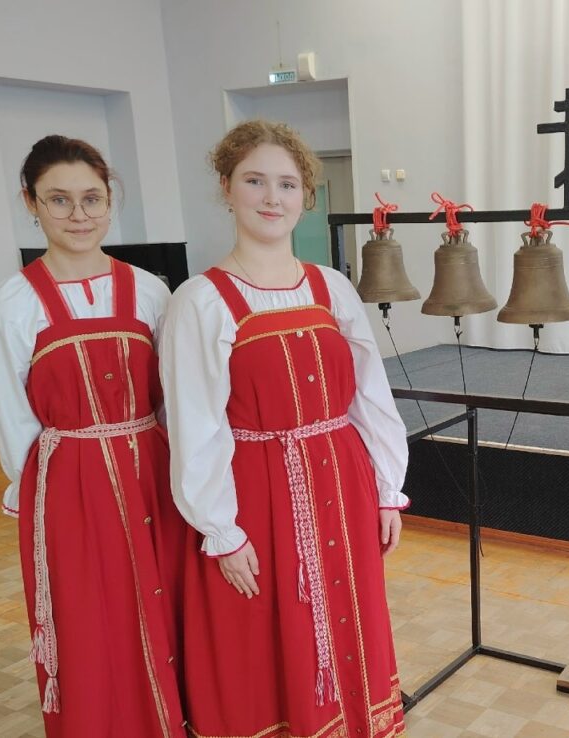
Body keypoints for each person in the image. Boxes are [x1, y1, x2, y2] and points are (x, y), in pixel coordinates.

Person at [160, 120, 408, 738]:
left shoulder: (333, 287)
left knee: (351, 617)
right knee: (267, 631)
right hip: (257, 497)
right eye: (255, 181)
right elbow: (194, 423)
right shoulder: (200, 301)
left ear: (306, 197)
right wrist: (222, 530)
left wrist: (386, 488)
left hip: (343, 484)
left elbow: (370, 395)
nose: (272, 198)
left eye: (288, 184)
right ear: (226, 188)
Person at [0, 135, 186, 736]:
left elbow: (174, 399)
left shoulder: (150, 290)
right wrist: (45, 497)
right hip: (69, 484)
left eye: (92, 199)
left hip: (154, 474)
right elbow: (10, 416)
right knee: (92, 620)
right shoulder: (15, 302)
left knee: (168, 605)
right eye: (59, 199)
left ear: (110, 201)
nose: (79, 215)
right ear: (31, 203)